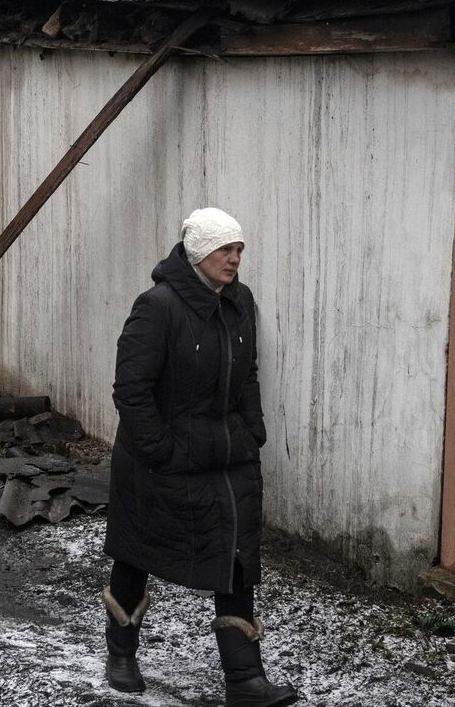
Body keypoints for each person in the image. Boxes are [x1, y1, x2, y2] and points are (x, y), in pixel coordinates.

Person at [101, 208, 300, 707]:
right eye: (224, 250)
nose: (235, 259)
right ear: (197, 253)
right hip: (158, 458)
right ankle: (121, 653)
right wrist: (158, 450)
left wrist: (251, 430)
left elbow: (248, 373)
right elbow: (132, 389)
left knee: (236, 551)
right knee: (137, 548)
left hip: (226, 454)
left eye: (239, 250)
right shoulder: (157, 306)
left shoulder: (240, 302)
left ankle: (244, 679)